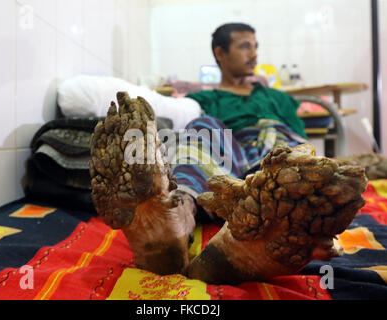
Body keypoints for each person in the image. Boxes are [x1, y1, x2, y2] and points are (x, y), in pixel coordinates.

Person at [88, 23, 367, 284]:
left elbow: (302, 142)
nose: (254, 54)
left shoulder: (278, 99)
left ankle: (245, 242)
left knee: (288, 161)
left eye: (256, 46)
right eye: (245, 46)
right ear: (220, 53)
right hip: (226, 152)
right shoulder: (203, 100)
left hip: (273, 152)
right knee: (201, 130)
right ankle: (174, 217)